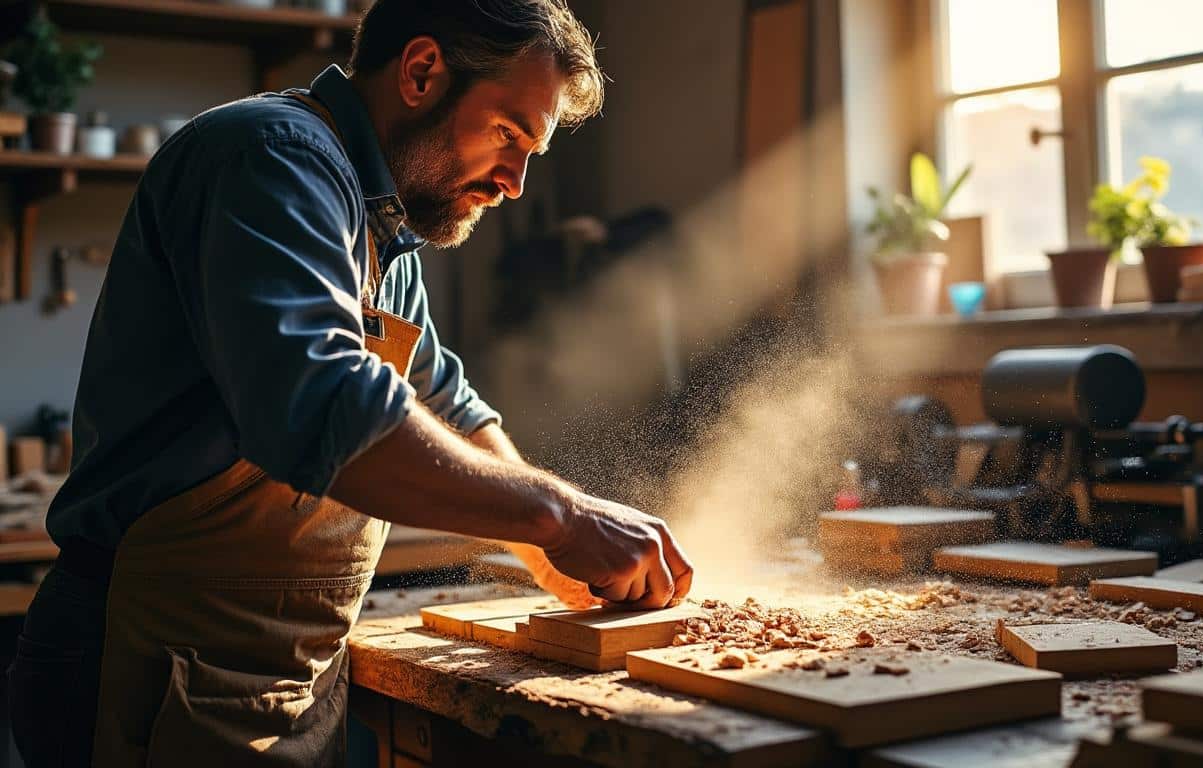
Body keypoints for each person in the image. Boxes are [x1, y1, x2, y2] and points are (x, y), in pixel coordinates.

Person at [8, 1, 693, 764]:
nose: (515, 183)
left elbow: (447, 406)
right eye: (508, 134)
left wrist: (547, 553)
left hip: (277, 671)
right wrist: (561, 518)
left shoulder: (381, 225)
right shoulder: (272, 156)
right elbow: (320, 404)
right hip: (148, 660)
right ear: (422, 72)